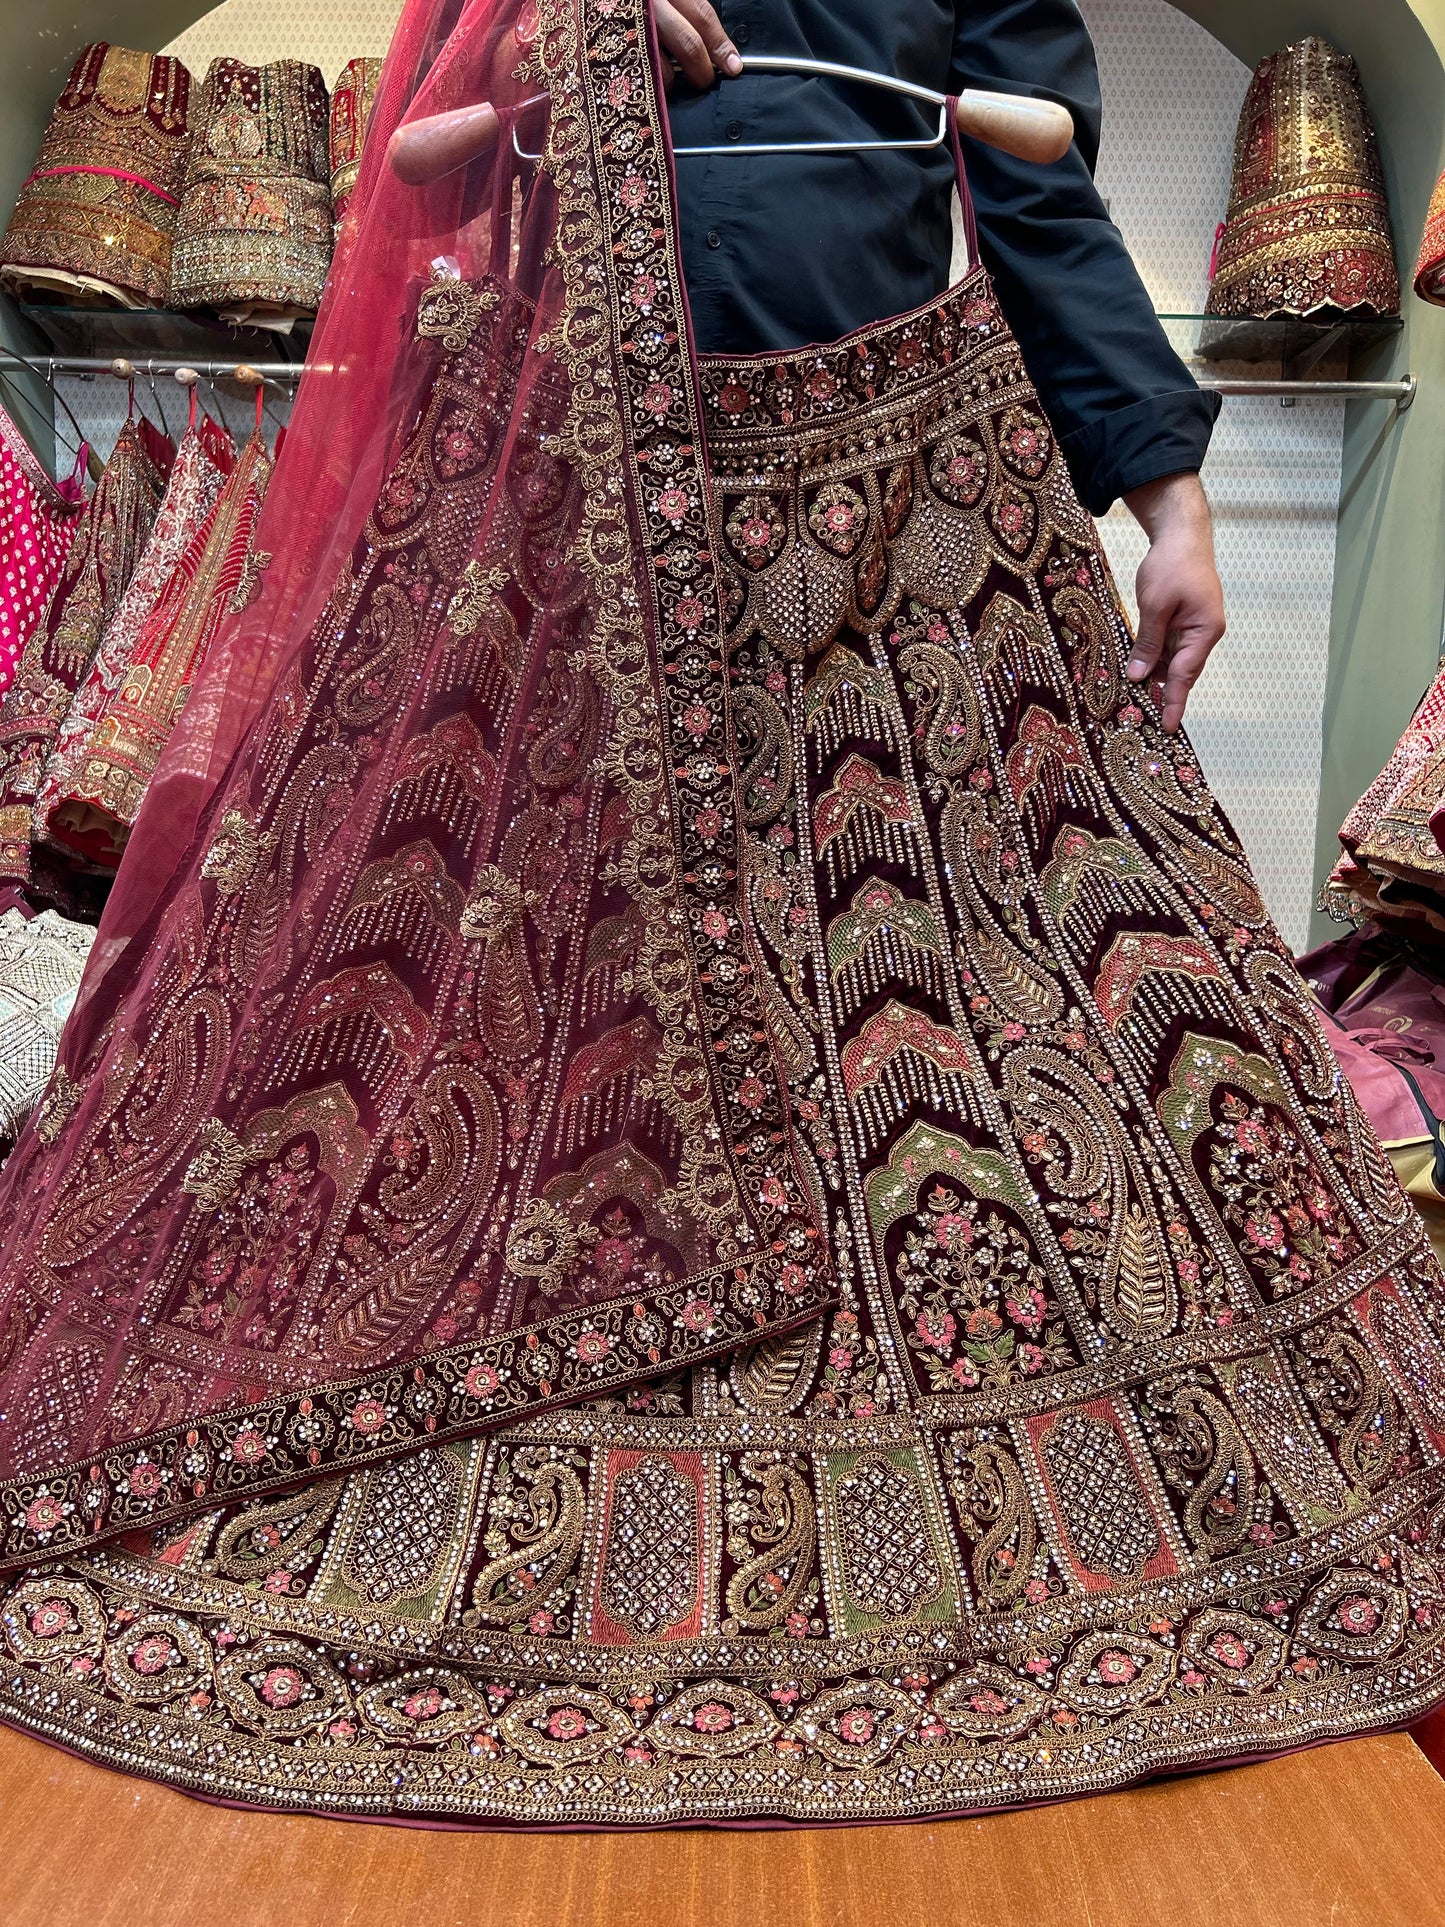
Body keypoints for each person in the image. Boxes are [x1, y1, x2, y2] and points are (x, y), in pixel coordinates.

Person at [0, 0, 1440, 1829]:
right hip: (568, 540)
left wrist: (1169, 500)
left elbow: (1041, 203)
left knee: (1012, 1003)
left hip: (902, 544)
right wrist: (555, 46)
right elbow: (430, 176)